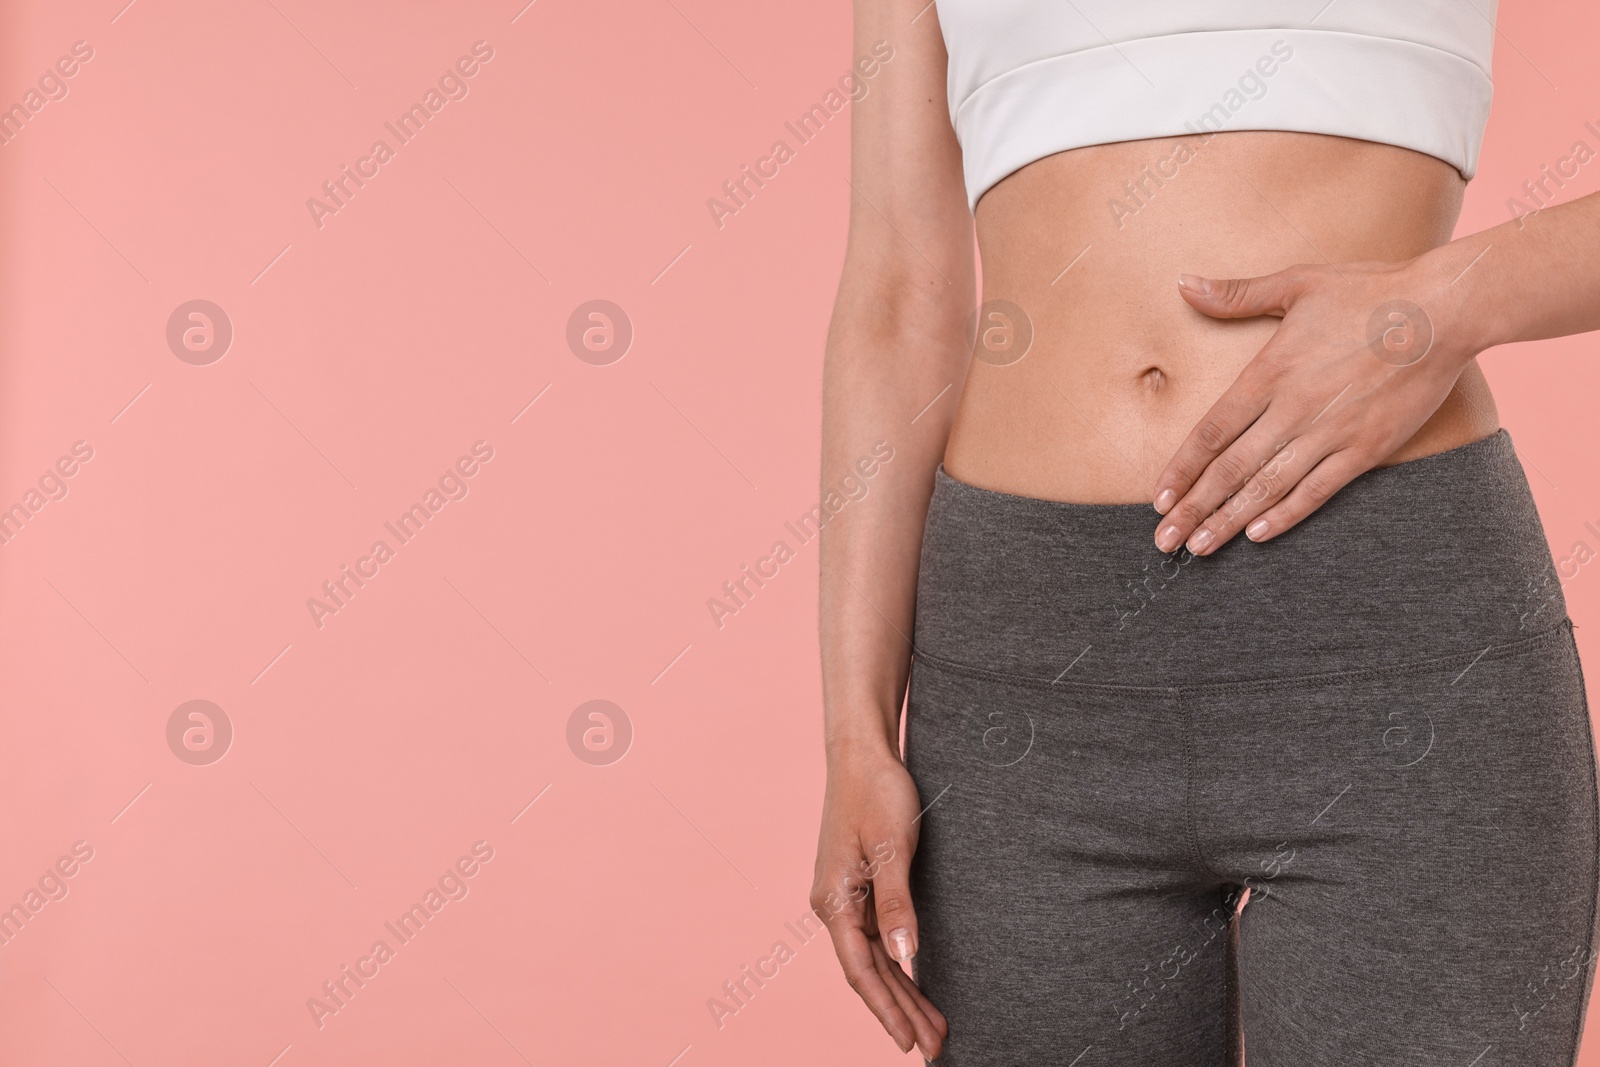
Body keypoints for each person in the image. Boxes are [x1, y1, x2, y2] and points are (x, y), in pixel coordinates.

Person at [811, 1, 1600, 1063]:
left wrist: (1452, 299)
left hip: (1390, 638)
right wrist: (856, 728)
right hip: (1026, 678)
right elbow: (897, 293)